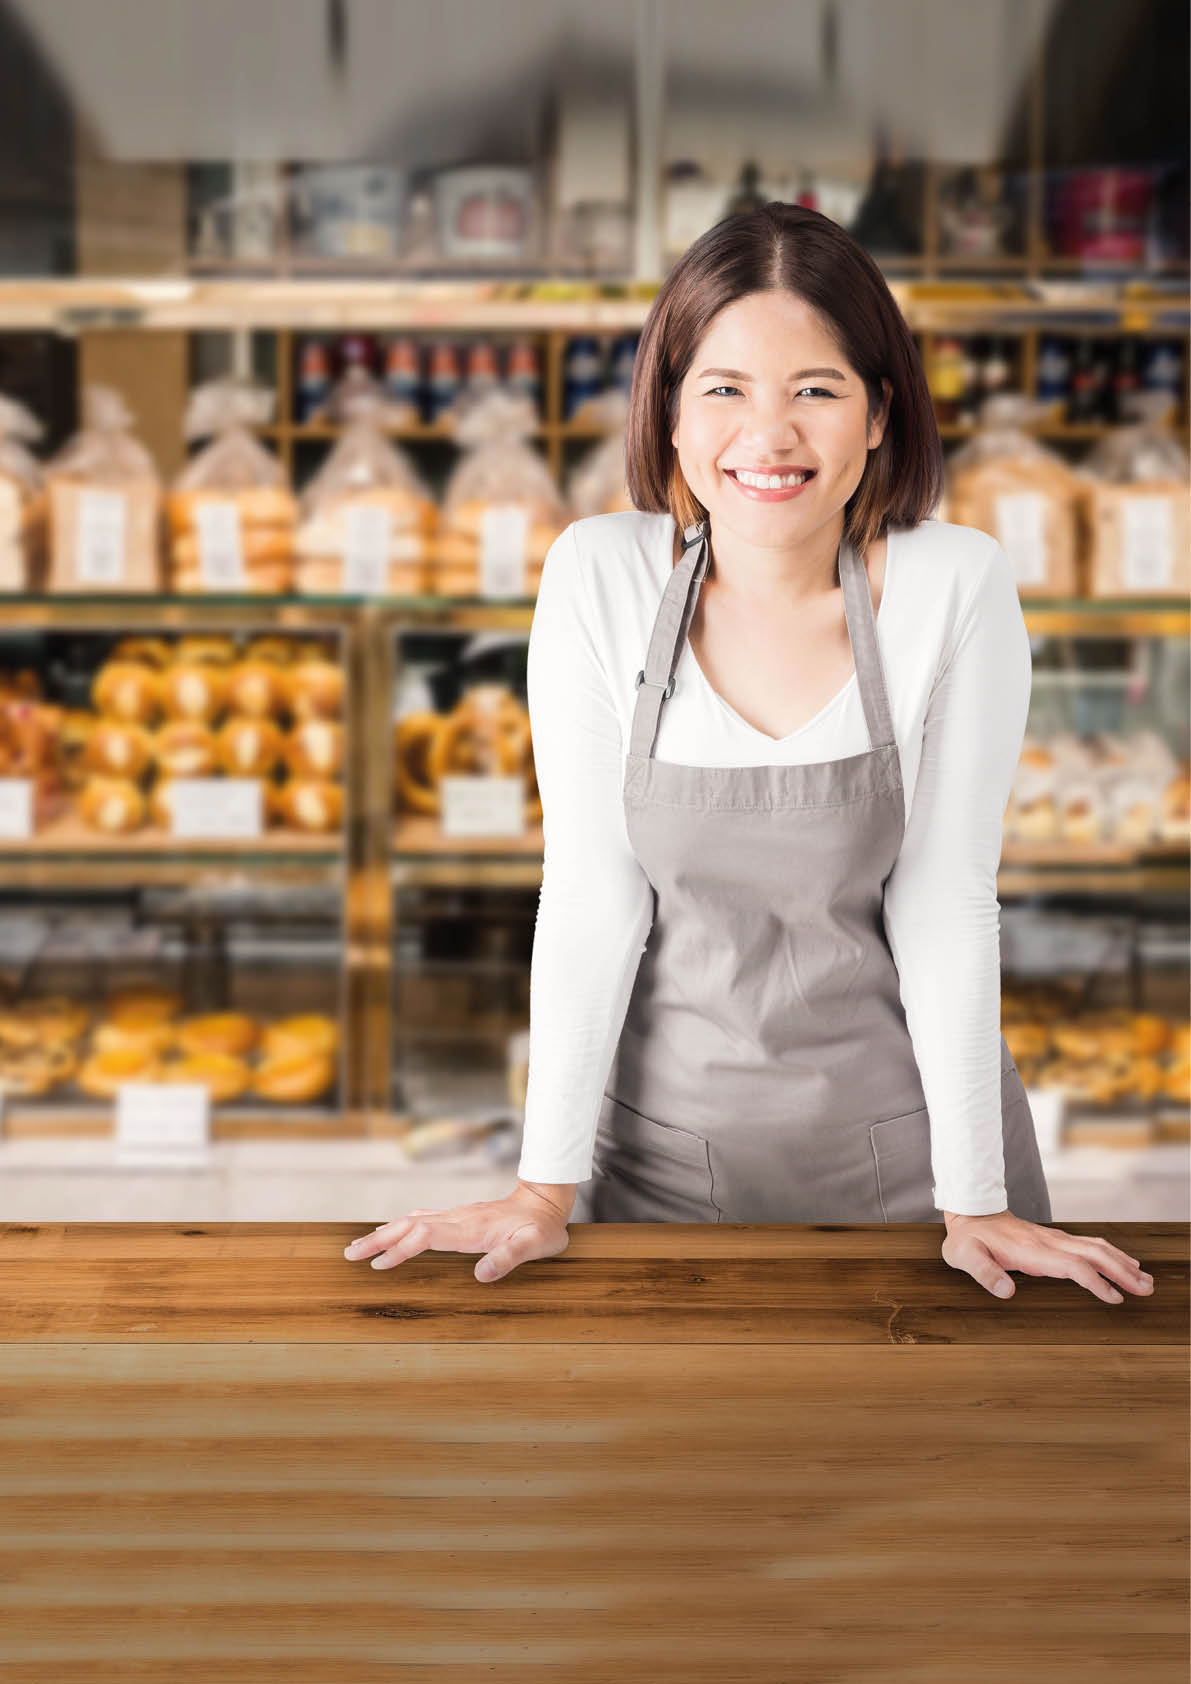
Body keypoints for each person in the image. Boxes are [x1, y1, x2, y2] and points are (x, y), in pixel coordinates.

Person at [344, 204, 1155, 1308]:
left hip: (922, 1183)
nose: (767, 438)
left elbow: (945, 901)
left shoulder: (953, 585)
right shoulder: (599, 576)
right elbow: (592, 896)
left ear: (879, 414)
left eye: (815, 391)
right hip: (655, 1175)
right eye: (724, 390)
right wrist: (542, 1190)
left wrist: (976, 1198)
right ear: (670, 416)